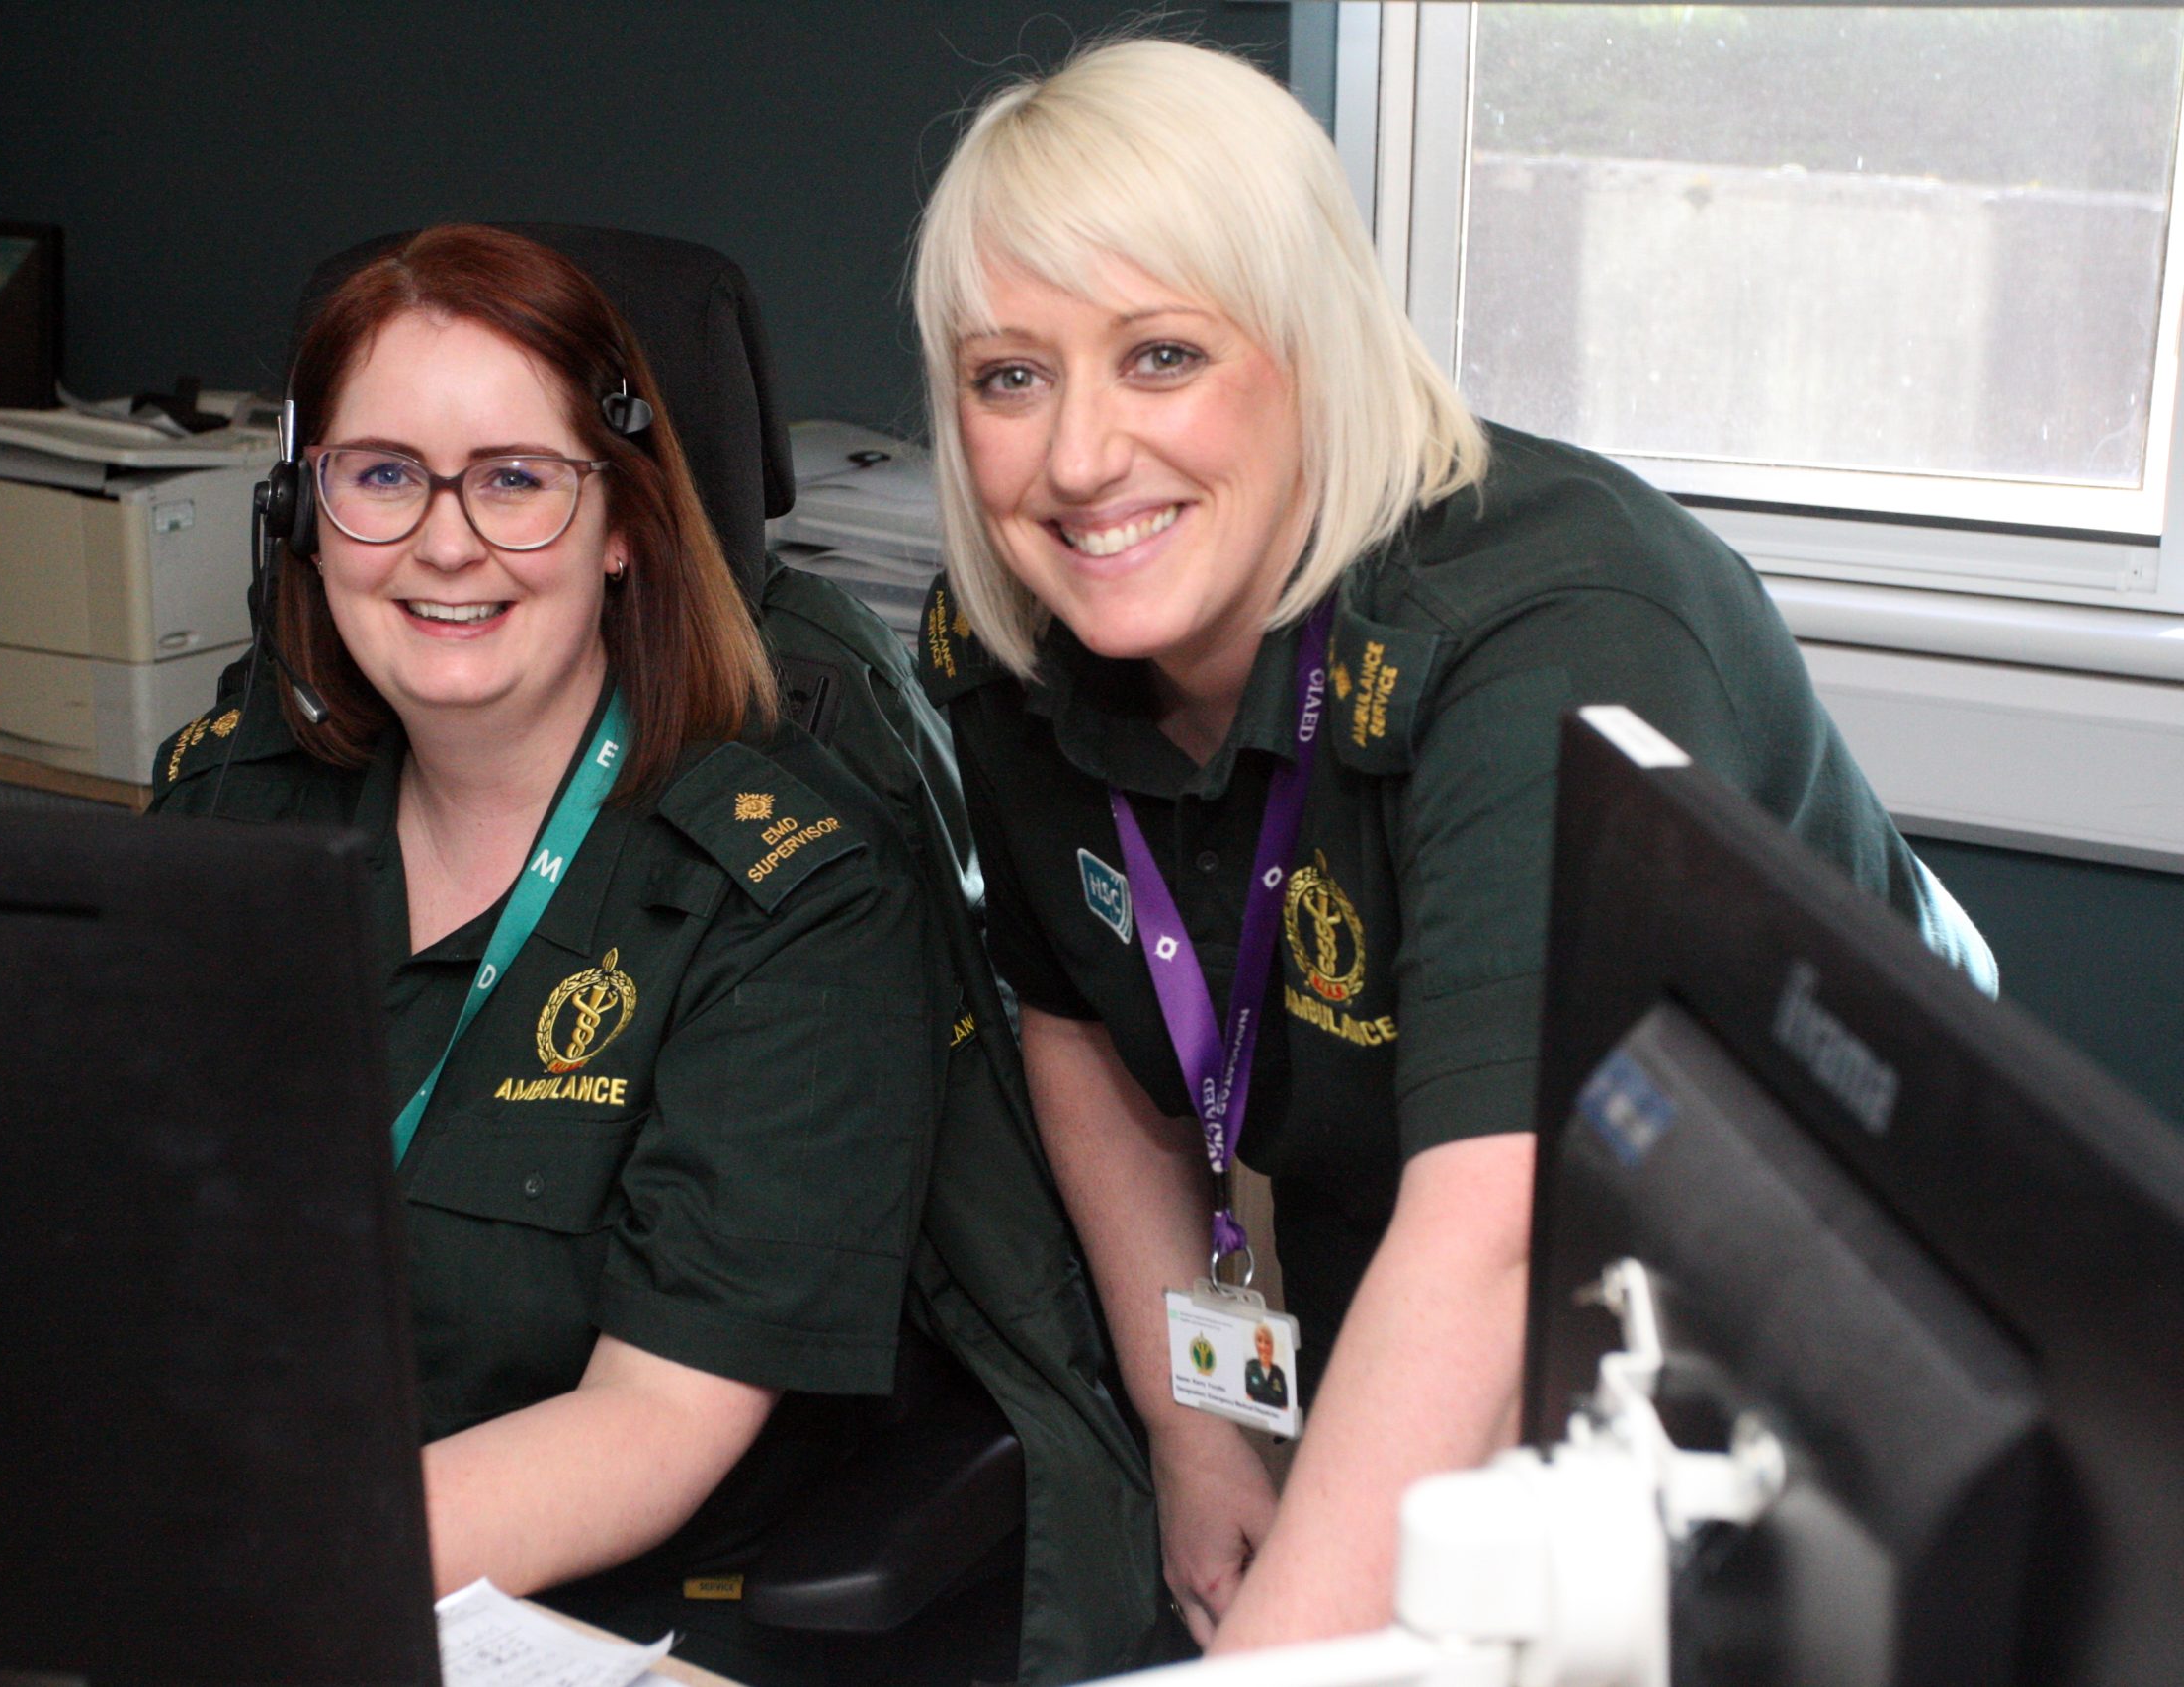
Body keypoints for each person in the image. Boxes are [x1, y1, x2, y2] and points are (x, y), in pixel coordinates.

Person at [909, 38, 1995, 1655]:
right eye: (1010, 376)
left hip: (1819, 1298)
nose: (1077, 459)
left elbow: (1499, 1240)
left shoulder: (1556, 634)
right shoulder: (1015, 635)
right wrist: (1204, 1432)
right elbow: (1077, 1010)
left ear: (1317, 345)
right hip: (1425, 1235)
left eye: (1161, 355)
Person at [153, 224, 940, 1684]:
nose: (444, 542)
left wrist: (242, 1558)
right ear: (306, 510)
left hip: (594, 1622)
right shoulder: (223, 811)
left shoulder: (791, 895)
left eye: (515, 479)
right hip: (222, 1558)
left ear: (622, 523)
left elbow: (653, 1419)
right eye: (382, 475)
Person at [1242, 1324, 1288, 1412]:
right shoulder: (1250, 1367)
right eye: (1259, 1341)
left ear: (1272, 1346)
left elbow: (1285, 1405)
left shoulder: (1279, 1373)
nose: (1263, 1346)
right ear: (1255, 1344)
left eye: (1267, 1342)